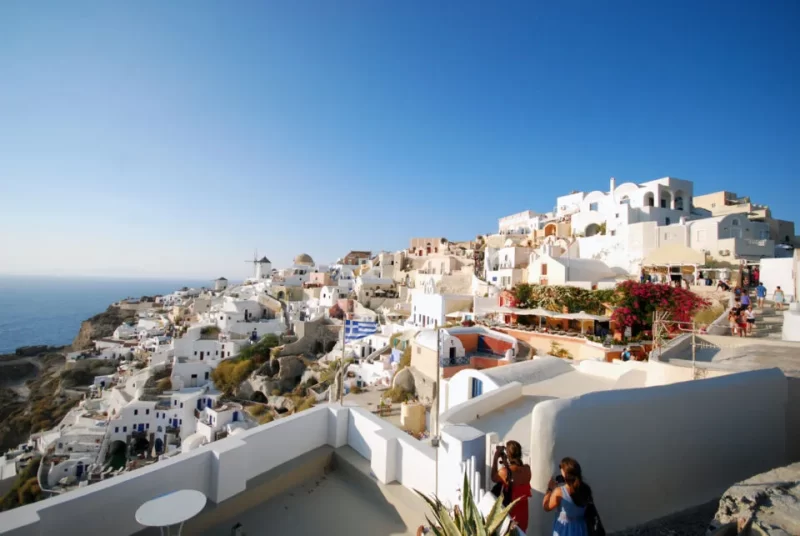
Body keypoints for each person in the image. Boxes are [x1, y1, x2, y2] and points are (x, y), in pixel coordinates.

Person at [543, 457, 591, 536]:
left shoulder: (559, 491)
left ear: (564, 473)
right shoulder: (586, 489)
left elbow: (546, 507)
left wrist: (550, 489)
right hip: (581, 528)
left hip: (564, 530)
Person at [491, 441, 532, 533]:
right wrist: (506, 463)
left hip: (511, 511)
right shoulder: (527, 469)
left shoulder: (504, 472)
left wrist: (496, 456)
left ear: (508, 454)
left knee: (511, 532)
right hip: (523, 511)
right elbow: (514, 474)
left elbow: (493, 477)